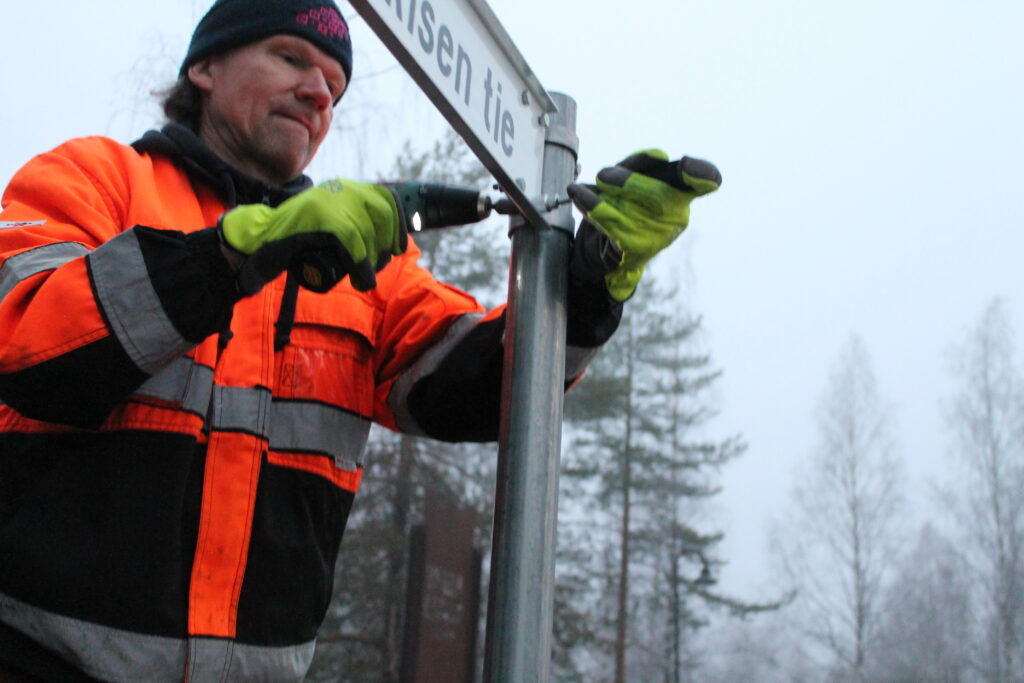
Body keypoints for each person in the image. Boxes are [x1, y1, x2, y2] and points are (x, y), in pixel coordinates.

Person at [0, 0, 720, 680]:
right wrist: (229, 255)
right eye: (289, 57)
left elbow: (488, 390)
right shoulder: (92, 176)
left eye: (335, 86)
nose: (318, 93)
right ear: (204, 68)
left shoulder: (368, 266)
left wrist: (587, 289)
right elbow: (23, 340)